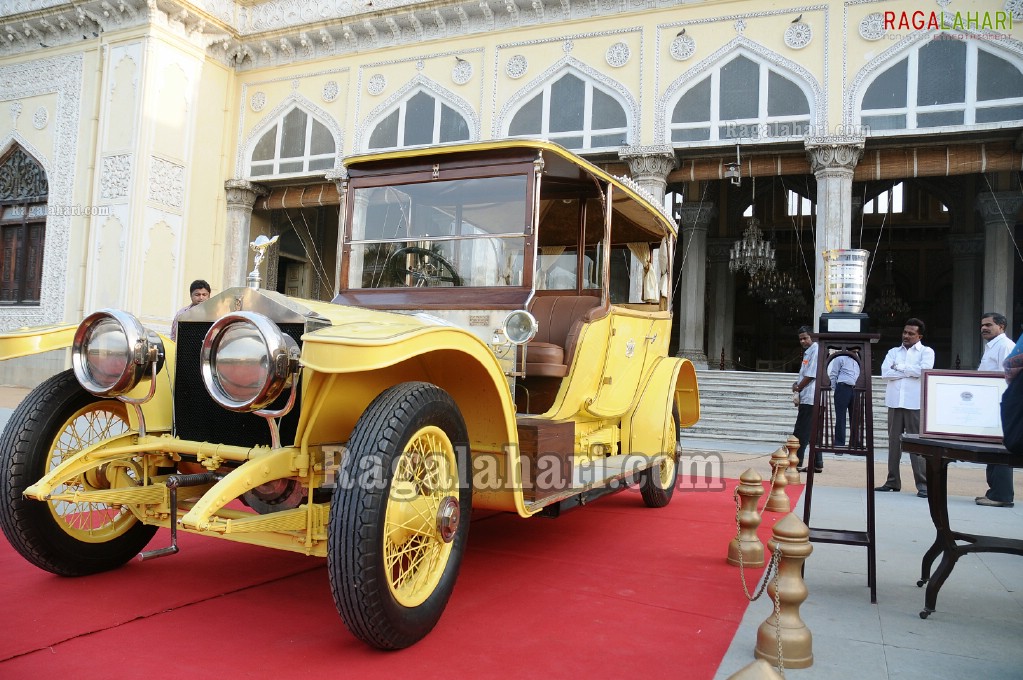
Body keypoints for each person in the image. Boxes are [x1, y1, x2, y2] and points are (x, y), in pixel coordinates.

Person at [876, 318, 934, 498]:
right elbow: (885, 372)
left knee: (917, 446)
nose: (906, 336)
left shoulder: (926, 351)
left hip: (914, 403)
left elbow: (924, 371)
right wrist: (909, 372)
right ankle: (892, 481)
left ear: (919, 336)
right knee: (894, 444)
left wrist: (900, 368)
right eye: (904, 332)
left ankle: (923, 484)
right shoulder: (893, 351)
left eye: (911, 333)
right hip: (894, 402)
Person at [976, 313, 1017, 507]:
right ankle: (994, 492)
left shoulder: (1005, 346)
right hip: (990, 405)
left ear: (1001, 326)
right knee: (991, 447)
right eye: (982, 325)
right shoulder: (993, 346)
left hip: (1000, 404)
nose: (984, 328)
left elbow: (1007, 377)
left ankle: (1001, 495)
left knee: (999, 449)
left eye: (988, 325)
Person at [791, 326, 821, 473]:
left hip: (811, 396)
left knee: (801, 431)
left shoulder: (816, 350)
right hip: (809, 396)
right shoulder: (809, 351)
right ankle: (817, 463)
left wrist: (798, 388)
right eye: (800, 339)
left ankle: (796, 462)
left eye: (805, 338)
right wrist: (796, 384)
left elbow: (811, 374)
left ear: (812, 337)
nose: (803, 341)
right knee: (814, 431)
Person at [829, 347, 860, 447]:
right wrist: (836, 389)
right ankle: (839, 443)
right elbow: (833, 374)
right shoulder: (840, 358)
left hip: (855, 389)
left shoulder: (858, 359)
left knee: (855, 417)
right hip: (843, 387)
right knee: (841, 417)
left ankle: (855, 443)